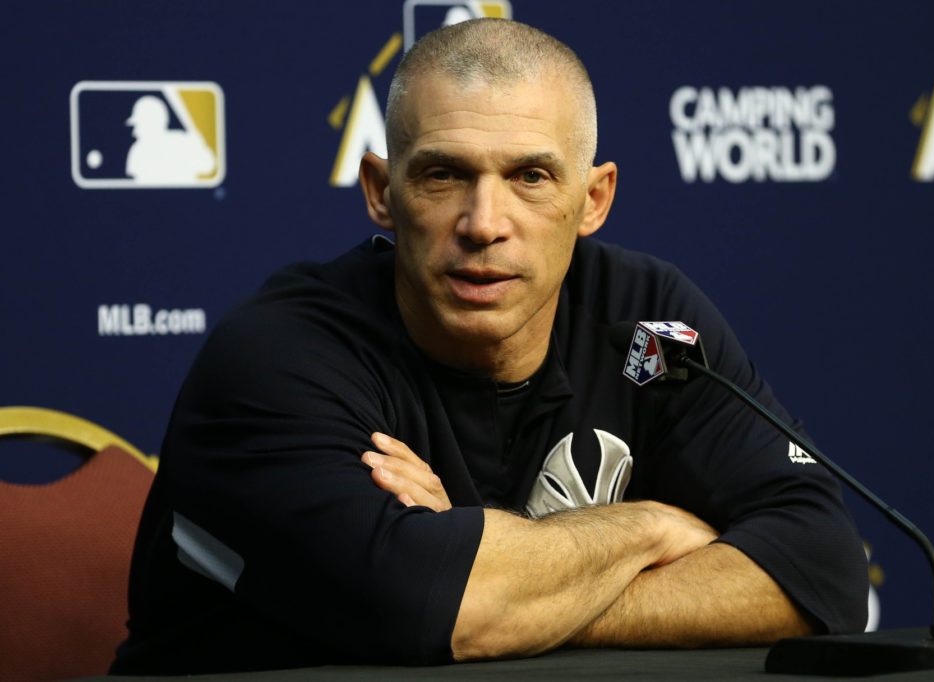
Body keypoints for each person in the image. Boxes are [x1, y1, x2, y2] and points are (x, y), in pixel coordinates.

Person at [112, 18, 867, 674]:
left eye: (530, 176)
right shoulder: (277, 356)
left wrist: (507, 576)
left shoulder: (647, 320)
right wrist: (649, 527)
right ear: (381, 191)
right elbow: (438, 609)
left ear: (593, 199)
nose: (484, 223)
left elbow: (824, 572)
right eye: (444, 175)